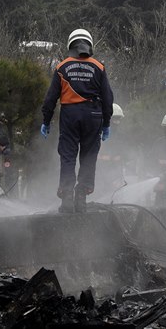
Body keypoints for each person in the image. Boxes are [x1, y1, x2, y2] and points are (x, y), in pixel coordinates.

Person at [41, 28, 114, 213]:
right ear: (89, 43)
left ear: (70, 44)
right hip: (93, 116)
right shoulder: (99, 67)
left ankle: (67, 197)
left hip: (70, 115)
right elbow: (107, 98)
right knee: (88, 156)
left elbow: (50, 99)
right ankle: (81, 196)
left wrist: (46, 121)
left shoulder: (61, 67)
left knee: (68, 156)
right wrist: (106, 124)